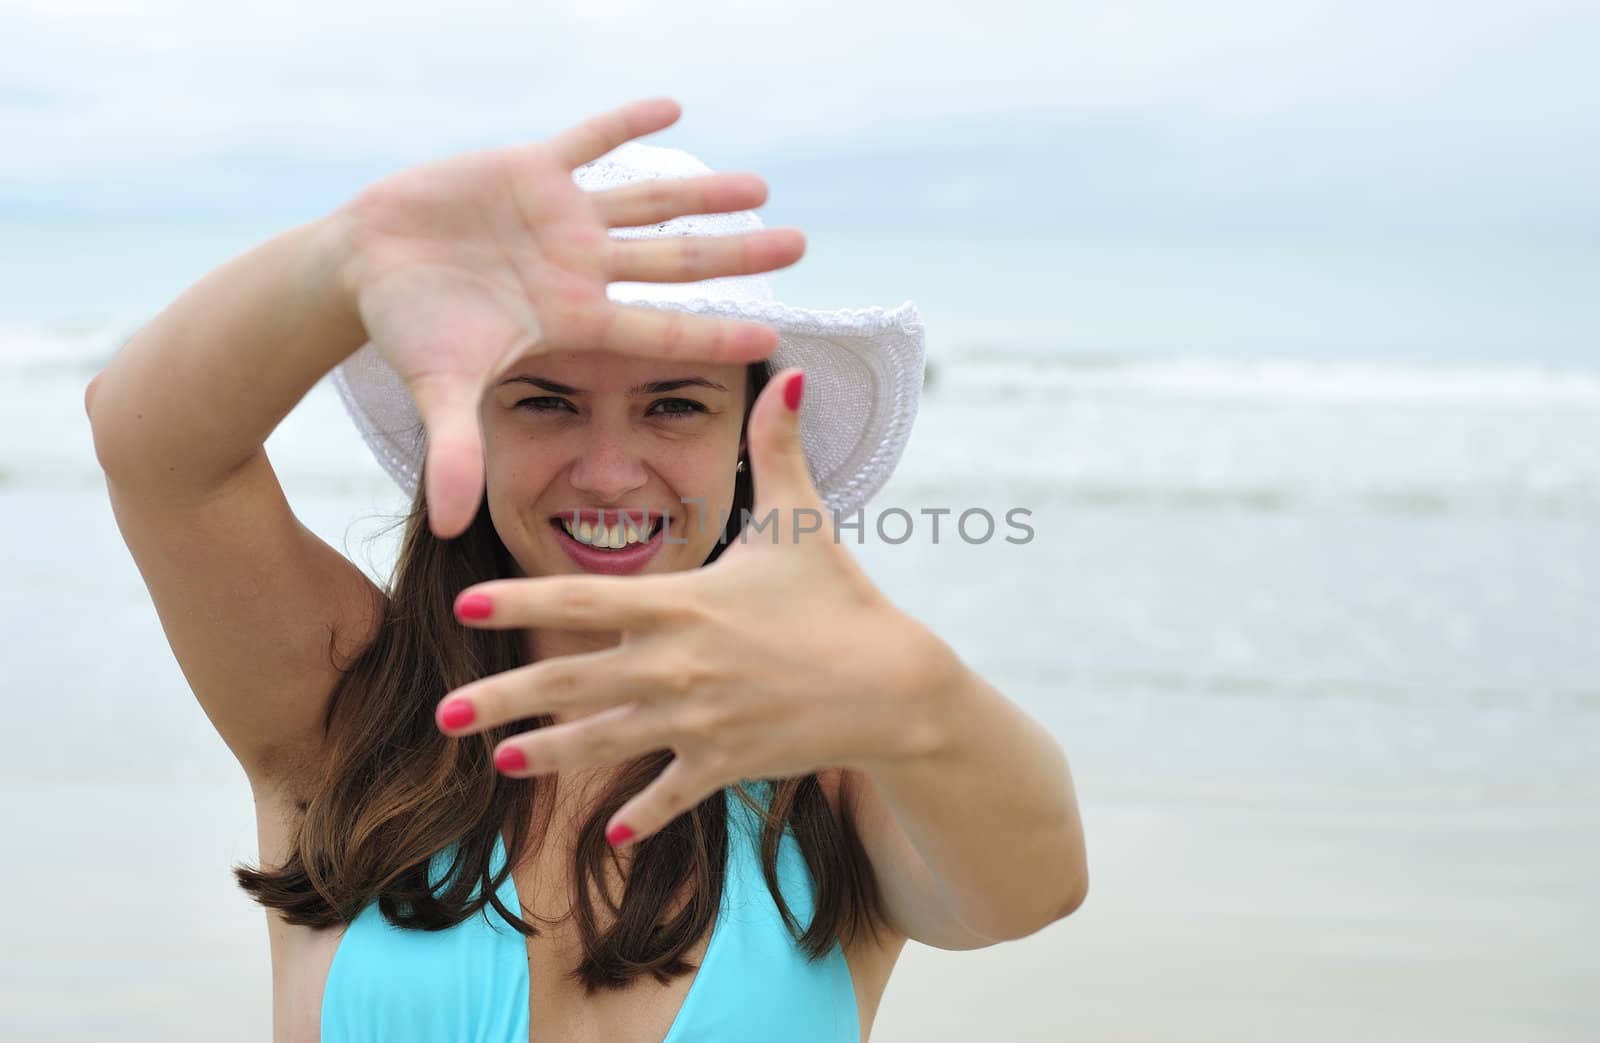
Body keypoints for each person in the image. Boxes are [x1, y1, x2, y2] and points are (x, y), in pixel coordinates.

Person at [86, 97, 1087, 1042]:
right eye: (545, 400)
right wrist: (347, 256)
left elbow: (1030, 888)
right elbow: (155, 447)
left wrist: (917, 685)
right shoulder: (341, 707)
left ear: (750, 429)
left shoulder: (836, 772)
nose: (608, 472)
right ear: (465, 418)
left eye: (674, 403)